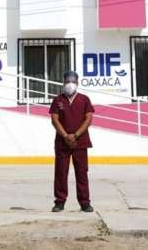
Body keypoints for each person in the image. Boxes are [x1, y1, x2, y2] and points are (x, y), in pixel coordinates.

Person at [49, 70, 94, 213]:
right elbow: (54, 120)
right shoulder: (58, 100)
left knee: (82, 172)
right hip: (62, 143)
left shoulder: (84, 99)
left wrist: (75, 135)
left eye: (73, 81)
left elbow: (89, 119)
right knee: (61, 173)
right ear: (63, 83)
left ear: (77, 83)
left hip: (80, 142)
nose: (70, 84)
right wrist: (65, 136)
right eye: (67, 81)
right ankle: (60, 202)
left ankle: (85, 203)